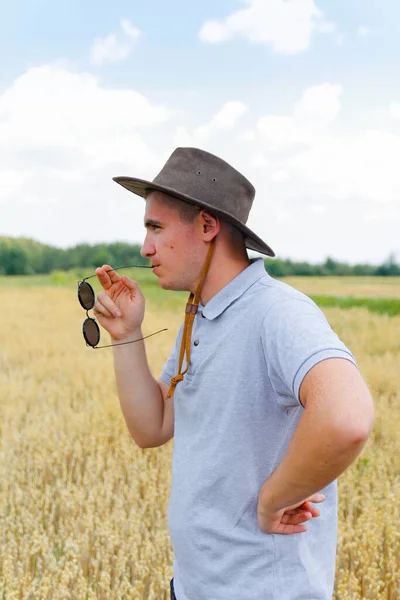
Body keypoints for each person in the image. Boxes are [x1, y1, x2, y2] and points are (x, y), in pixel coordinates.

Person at [93, 147, 374, 600]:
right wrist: (127, 334)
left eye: (155, 227)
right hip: (193, 588)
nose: (145, 247)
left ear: (207, 226)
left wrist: (272, 499)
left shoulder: (276, 313)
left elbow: (348, 417)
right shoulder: (201, 317)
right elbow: (151, 427)